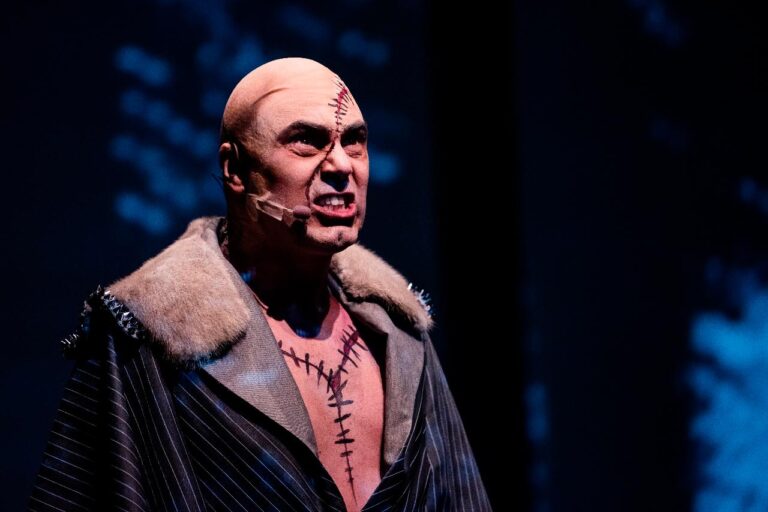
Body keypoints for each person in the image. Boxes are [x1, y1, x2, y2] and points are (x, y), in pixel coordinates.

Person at [30, 57, 491, 511]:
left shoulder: (398, 332)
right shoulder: (147, 338)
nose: (341, 166)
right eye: (306, 141)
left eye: (354, 142)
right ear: (235, 169)